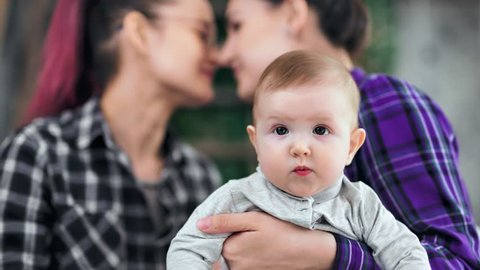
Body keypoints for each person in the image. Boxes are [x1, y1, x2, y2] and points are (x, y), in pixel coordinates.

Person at [195, 0, 480, 269]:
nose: (223, 53)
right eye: (281, 130)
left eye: (237, 26)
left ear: (293, 13)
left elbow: (457, 262)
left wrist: (325, 252)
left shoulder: (382, 103)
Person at [0, 0, 222, 269]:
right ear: (139, 32)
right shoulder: (38, 155)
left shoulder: (201, 176)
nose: (218, 56)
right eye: (202, 34)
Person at [167, 50, 431, 269]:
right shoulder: (237, 198)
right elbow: (186, 249)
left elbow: (407, 254)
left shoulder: (361, 206)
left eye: (320, 130)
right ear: (256, 142)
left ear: (351, 146)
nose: (300, 148)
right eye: (281, 130)